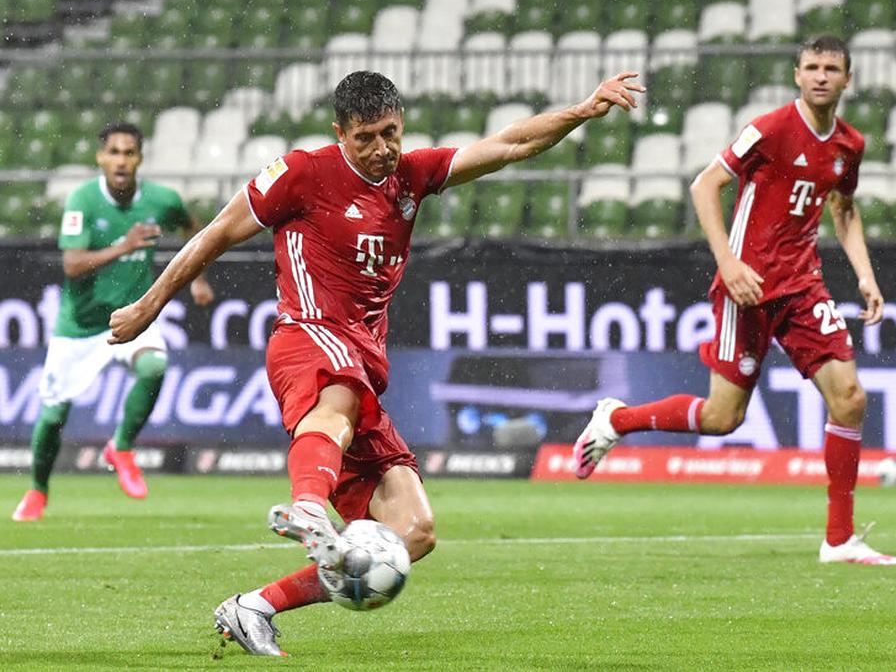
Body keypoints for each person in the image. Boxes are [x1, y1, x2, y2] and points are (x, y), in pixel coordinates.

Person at [109, 69, 644, 656]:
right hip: (308, 335)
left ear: (402, 124)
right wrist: (149, 304)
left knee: (413, 532)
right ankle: (309, 506)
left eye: (390, 133)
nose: (381, 148)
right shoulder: (302, 173)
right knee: (339, 396)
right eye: (365, 137)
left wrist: (581, 110)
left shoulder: (411, 175)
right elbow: (215, 234)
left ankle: (255, 606)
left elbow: (510, 144)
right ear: (340, 133)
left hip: (363, 359)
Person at [571, 36, 896, 566]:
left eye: (831, 68)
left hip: (803, 286)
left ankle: (839, 540)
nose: (821, 76)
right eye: (812, 67)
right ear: (797, 74)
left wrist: (866, 275)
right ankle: (618, 420)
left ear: (848, 78)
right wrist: (728, 262)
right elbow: (705, 185)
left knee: (850, 398)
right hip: (747, 287)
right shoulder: (770, 129)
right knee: (723, 418)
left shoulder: (849, 145)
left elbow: (843, 208)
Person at [10, 123, 214, 521]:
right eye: (114, 153)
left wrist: (200, 278)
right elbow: (72, 265)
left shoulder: (161, 200)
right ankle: (38, 490)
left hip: (131, 316)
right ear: (100, 158)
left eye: (129, 153)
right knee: (52, 416)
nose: (121, 161)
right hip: (80, 326)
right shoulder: (83, 200)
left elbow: (196, 231)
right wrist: (125, 246)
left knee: (154, 366)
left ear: (140, 159)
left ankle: (120, 447)